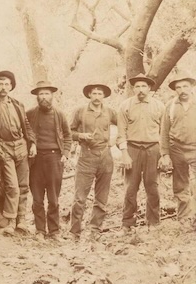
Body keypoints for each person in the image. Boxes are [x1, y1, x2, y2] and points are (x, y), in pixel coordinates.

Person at [0, 70, 37, 235]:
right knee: (12, 186)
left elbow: (26, 125)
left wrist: (32, 143)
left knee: (24, 186)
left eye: (7, 84)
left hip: (21, 147)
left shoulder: (18, 105)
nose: (4, 87)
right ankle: (10, 222)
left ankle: (22, 221)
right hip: (3, 147)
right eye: (1, 84)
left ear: (11, 86)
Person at [68, 84, 119, 241]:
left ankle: (95, 229)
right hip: (86, 156)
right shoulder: (80, 111)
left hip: (105, 156)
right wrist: (81, 136)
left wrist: (114, 139)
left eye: (100, 93)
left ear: (104, 96)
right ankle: (74, 232)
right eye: (94, 93)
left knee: (101, 198)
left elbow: (124, 126)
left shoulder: (110, 112)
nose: (97, 96)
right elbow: (69, 132)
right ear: (89, 95)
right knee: (79, 198)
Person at [117, 74, 166, 236]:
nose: (140, 90)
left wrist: (164, 154)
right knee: (131, 187)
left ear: (150, 88)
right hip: (132, 149)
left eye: (144, 86)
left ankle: (153, 222)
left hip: (153, 149)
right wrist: (124, 153)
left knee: (152, 186)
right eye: (137, 86)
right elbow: (121, 132)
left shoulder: (159, 106)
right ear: (133, 88)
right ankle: (127, 223)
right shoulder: (126, 106)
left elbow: (164, 132)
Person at [26, 81, 72, 241]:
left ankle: (54, 231)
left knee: (53, 198)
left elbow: (67, 135)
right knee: (37, 198)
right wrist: (31, 145)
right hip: (35, 159)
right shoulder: (30, 114)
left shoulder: (59, 114)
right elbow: (25, 133)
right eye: (41, 94)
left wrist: (65, 153)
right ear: (37, 97)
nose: (44, 97)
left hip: (54, 158)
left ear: (52, 96)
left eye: (46, 93)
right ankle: (40, 230)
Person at [159, 76, 196, 231]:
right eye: (179, 88)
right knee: (181, 185)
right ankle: (185, 220)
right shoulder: (171, 106)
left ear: (191, 87)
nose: (182, 90)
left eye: (185, 86)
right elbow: (164, 131)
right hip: (177, 149)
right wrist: (165, 154)